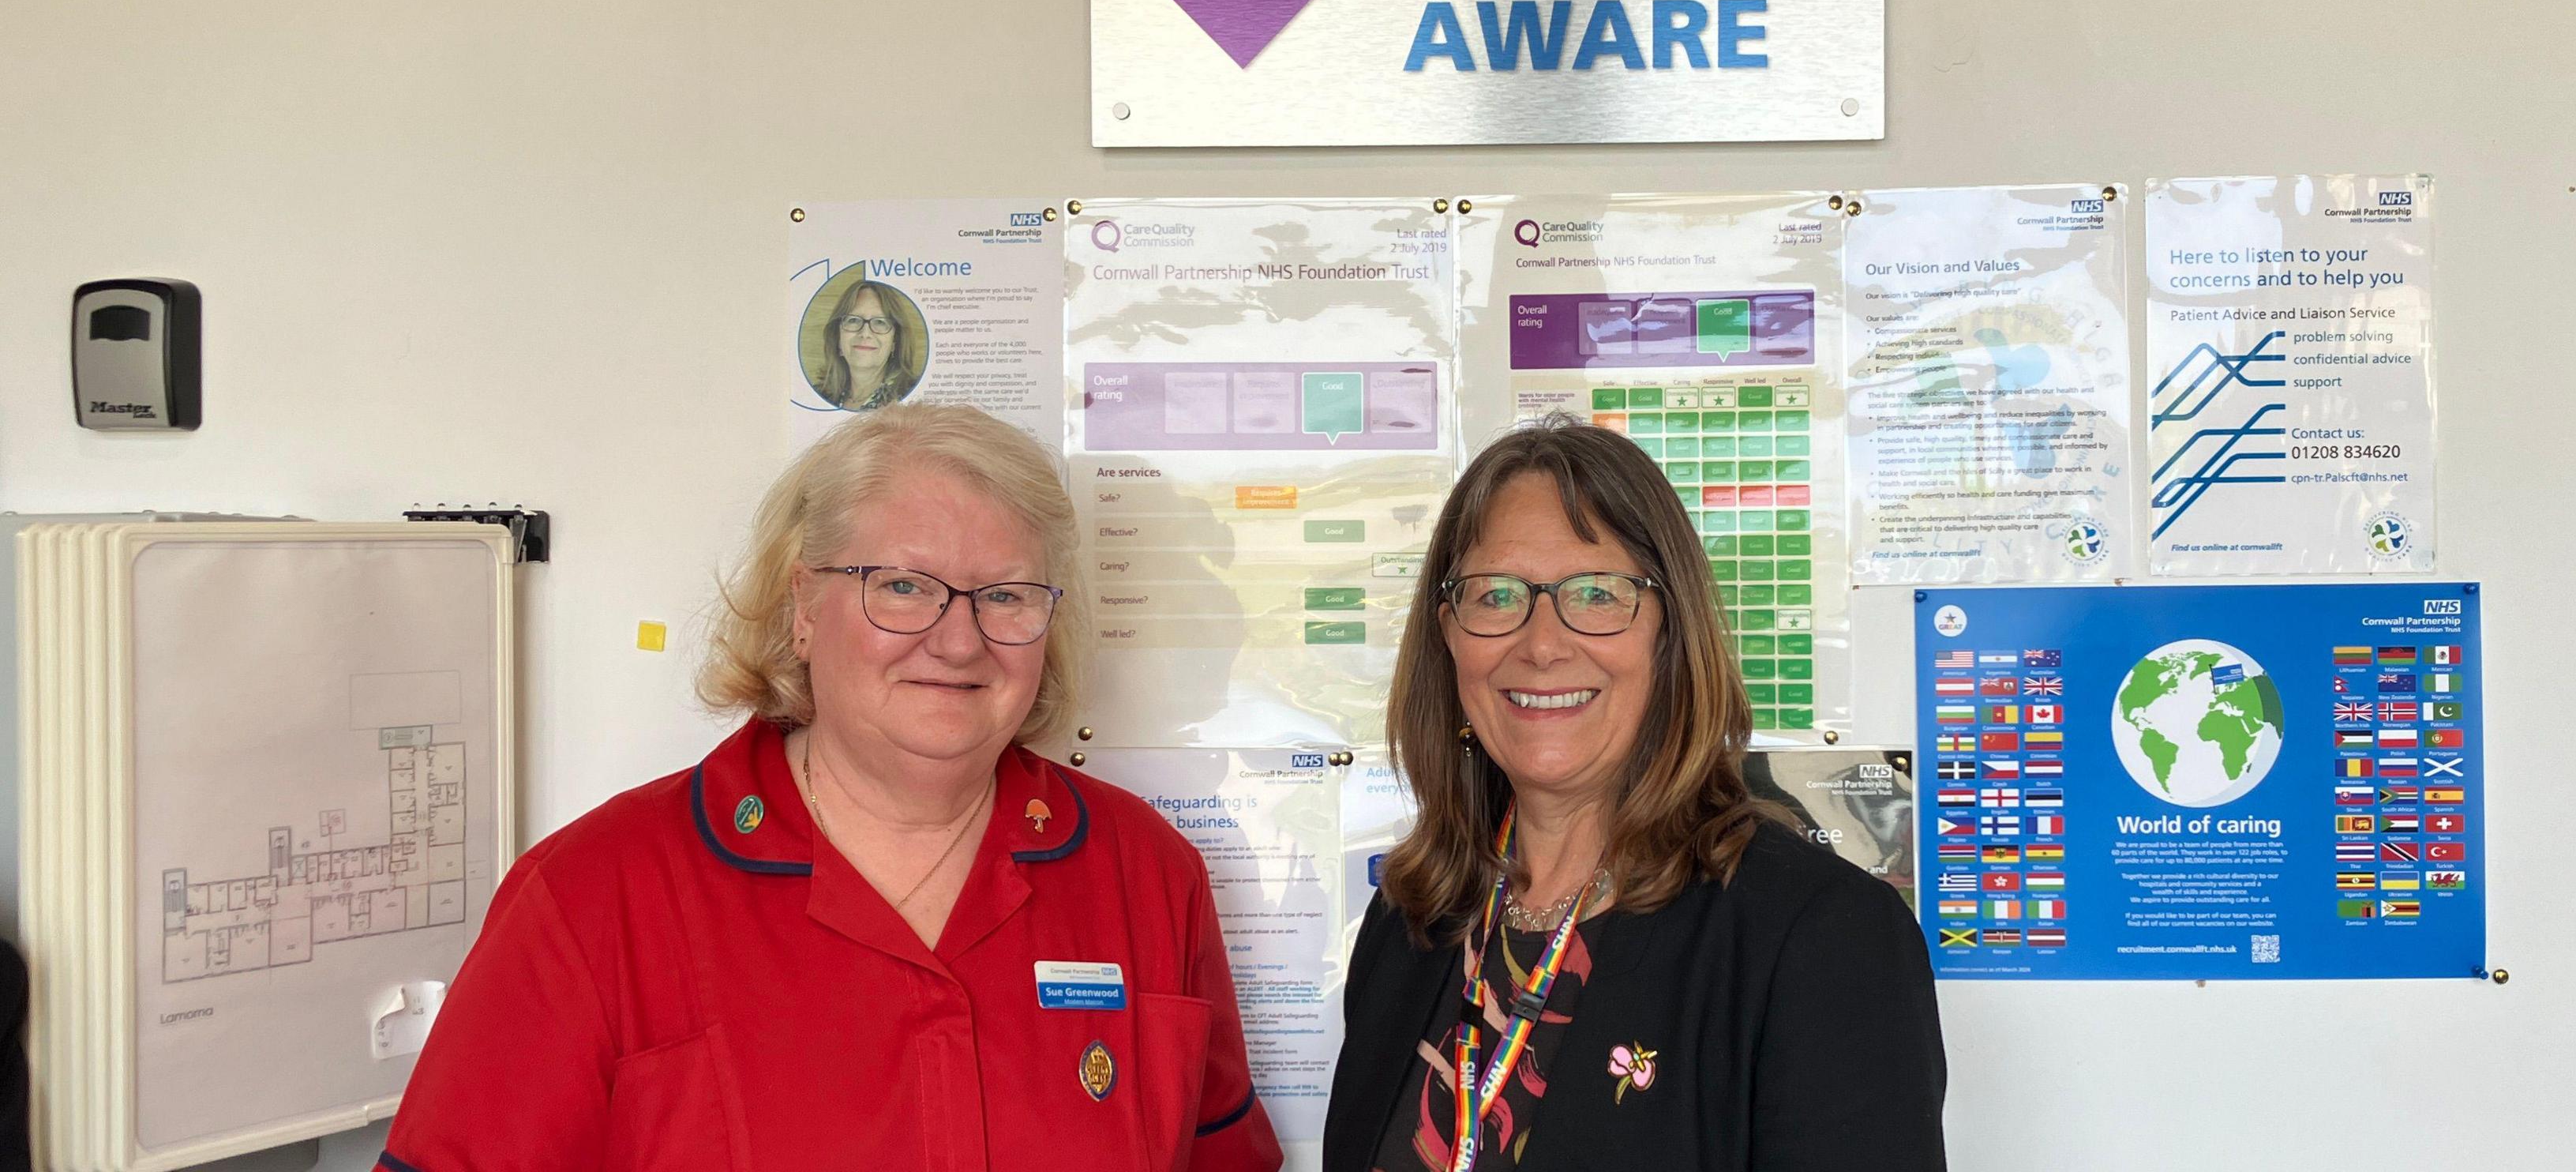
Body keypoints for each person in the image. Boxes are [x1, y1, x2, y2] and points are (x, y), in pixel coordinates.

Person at [383, 404, 1280, 1170]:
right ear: (804, 607)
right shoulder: (591, 899)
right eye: (901, 585)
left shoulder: (1147, 875)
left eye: (1005, 595)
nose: (959, 640)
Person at [1325, 418, 1944, 1172]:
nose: (1542, 644)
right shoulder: (1412, 920)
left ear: (1670, 634)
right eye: (1494, 596)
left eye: (1596, 592)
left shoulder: (1821, 936)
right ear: (1447, 635)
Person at [812, 278, 921, 410]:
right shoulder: (817, 396)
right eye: (853, 320)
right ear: (838, 338)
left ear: (895, 342)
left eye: (880, 322)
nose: (865, 333)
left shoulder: (913, 401)